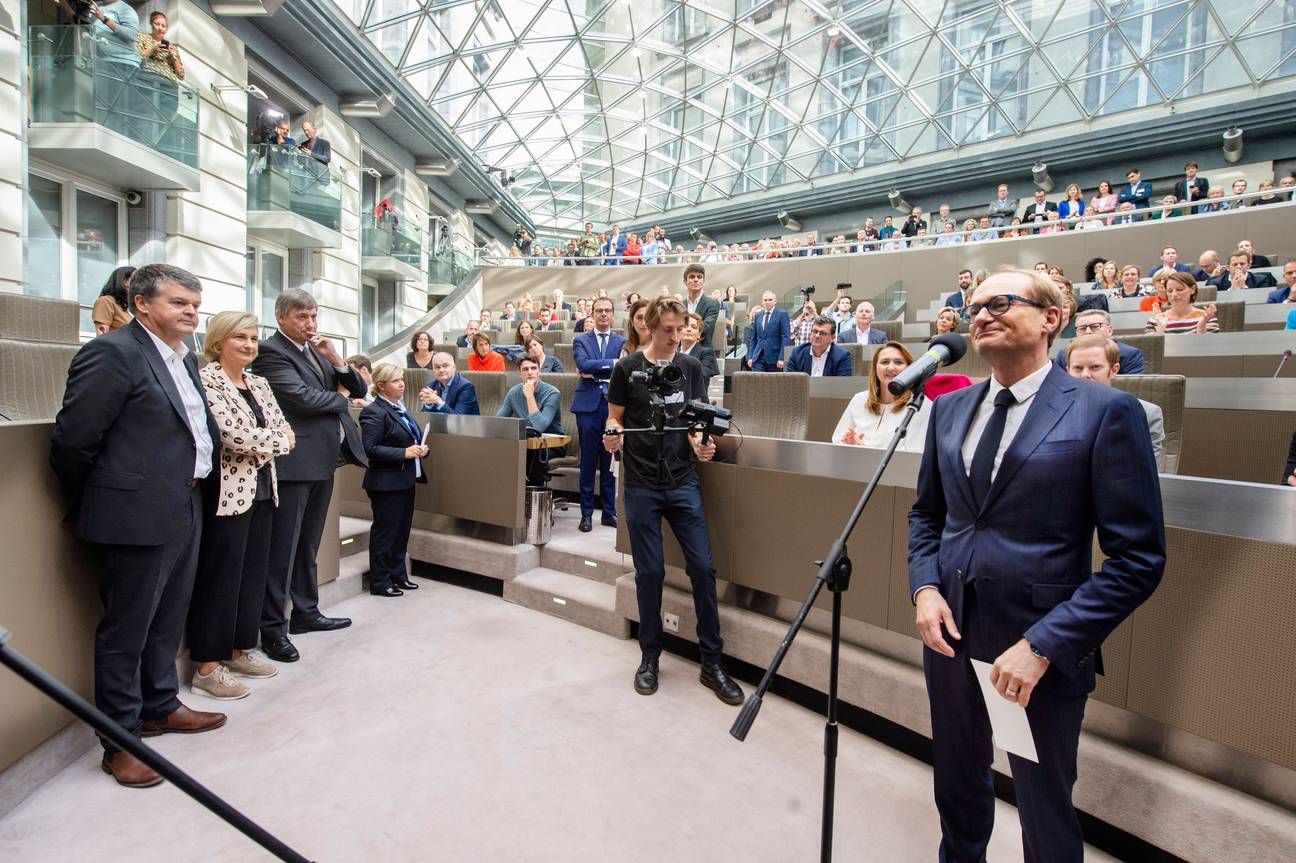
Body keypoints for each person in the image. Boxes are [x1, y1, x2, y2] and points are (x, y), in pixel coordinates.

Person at [908, 267, 1165, 863]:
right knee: (956, 786)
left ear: (1052, 318)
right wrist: (924, 587)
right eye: (974, 307)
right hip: (949, 635)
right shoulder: (950, 411)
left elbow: (1138, 560)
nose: (982, 315)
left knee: (1044, 809)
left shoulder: (1105, 412)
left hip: (1034, 650)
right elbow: (927, 516)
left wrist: (1044, 645)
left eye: (1001, 302)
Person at [50, 263, 226, 788]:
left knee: (167, 619)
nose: (191, 312)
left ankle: (160, 705)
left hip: (184, 504)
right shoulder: (112, 352)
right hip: (134, 514)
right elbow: (73, 442)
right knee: (126, 631)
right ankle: (120, 742)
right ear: (142, 303)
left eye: (195, 304)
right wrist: (107, 500)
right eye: (179, 303)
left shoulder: (183, 357)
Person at [604, 297, 743, 705]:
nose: (674, 336)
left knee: (703, 568)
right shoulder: (626, 369)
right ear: (648, 326)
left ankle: (712, 662)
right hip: (641, 484)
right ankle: (650, 657)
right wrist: (612, 432)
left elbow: (698, 423)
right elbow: (615, 416)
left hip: (683, 481)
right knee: (649, 574)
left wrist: (702, 444)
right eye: (666, 329)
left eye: (679, 328)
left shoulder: (692, 368)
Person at [249, 288, 366, 664]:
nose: (311, 324)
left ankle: (305, 612)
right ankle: (272, 630)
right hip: (293, 464)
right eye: (302, 317)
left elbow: (363, 386)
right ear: (281, 316)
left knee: (307, 546)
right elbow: (299, 397)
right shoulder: (269, 352)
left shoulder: (316, 350)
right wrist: (346, 401)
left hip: (322, 461)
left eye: (314, 316)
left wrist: (337, 360)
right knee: (282, 550)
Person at [189, 311, 294, 701]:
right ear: (219, 342)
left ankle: (235, 651)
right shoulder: (206, 380)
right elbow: (234, 437)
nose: (250, 345)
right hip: (228, 492)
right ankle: (207, 666)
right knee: (221, 580)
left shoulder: (259, 382)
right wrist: (273, 440)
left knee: (252, 577)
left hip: (266, 488)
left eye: (253, 338)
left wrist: (270, 439)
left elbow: (284, 430)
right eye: (240, 338)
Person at [359, 363, 427, 597]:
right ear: (381, 385)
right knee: (385, 533)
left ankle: (399, 575)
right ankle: (380, 581)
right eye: (396, 380)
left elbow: (408, 438)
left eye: (402, 379)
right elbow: (370, 448)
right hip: (386, 482)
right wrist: (404, 453)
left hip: (405, 479)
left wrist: (419, 449)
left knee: (401, 532)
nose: (402, 384)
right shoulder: (373, 411)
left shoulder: (400, 408)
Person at [1065, 337, 1164, 469]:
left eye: (1095, 367)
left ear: (1114, 370)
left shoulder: (1147, 413)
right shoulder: (1051, 411)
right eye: (1078, 368)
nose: (1085, 375)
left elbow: (1144, 474)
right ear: (1068, 371)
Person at [571, 297, 625, 532]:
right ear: (592, 314)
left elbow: (624, 369)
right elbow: (583, 365)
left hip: (614, 405)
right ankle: (585, 514)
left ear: (613, 314)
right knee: (589, 461)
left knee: (609, 460)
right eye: (599, 311)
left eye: (607, 311)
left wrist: (597, 368)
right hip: (588, 406)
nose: (603, 314)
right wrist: (613, 363)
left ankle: (608, 513)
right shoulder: (580, 339)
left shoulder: (622, 340)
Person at [832, 341, 930, 448]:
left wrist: (863, 450)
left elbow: (913, 455)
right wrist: (848, 446)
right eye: (885, 362)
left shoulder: (921, 405)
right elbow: (837, 441)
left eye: (898, 362)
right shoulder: (859, 399)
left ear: (909, 368)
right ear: (875, 368)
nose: (891, 368)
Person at [499, 355, 564, 487]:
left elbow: (539, 427)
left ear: (539, 370)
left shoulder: (552, 393)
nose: (530, 372)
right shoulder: (513, 392)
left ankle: (530, 500)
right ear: (519, 373)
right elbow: (499, 421)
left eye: (533, 368)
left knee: (530, 453)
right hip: (525, 442)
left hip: (550, 445)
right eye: (525, 369)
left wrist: (529, 396)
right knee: (503, 450)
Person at [1052, 309, 1145, 374]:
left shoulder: (1130, 354)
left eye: (1095, 326)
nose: (1088, 331)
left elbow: (1132, 388)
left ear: (1110, 330)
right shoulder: (1064, 355)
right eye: (1082, 328)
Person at [133, 11, 183, 123]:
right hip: (148, 78)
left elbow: (181, 74)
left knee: (165, 118)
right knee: (147, 114)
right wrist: (153, 47)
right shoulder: (143, 37)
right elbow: (138, 59)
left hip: (169, 85)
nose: (160, 28)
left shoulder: (171, 46)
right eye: (157, 24)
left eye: (164, 26)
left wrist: (174, 57)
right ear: (151, 24)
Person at [1146, 272, 1219, 334]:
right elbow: (1151, 349)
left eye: (1179, 289)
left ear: (1193, 289)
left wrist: (1201, 328)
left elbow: (1209, 349)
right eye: (1170, 291)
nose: (1174, 294)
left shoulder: (1207, 317)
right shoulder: (1155, 320)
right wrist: (1160, 331)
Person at [787, 316, 852, 377]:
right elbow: (791, 382)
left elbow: (843, 385)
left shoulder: (842, 357)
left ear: (832, 338)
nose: (817, 336)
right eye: (815, 331)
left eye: (823, 333)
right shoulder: (797, 353)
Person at [746, 290, 789, 371]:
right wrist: (750, 356)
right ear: (762, 302)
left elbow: (785, 337)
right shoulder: (758, 315)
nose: (767, 302)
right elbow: (754, 338)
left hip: (774, 358)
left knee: (772, 383)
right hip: (758, 357)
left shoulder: (782, 314)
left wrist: (782, 357)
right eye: (765, 300)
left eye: (770, 299)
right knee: (756, 382)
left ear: (775, 301)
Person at [682, 263, 721, 344]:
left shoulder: (713, 304)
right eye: (692, 277)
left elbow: (705, 327)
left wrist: (684, 334)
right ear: (685, 281)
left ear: (703, 282)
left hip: (703, 351)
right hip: (681, 351)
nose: (696, 279)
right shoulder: (680, 305)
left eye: (699, 277)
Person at [679, 311, 720, 386]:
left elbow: (701, 377)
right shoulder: (671, 352)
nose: (689, 329)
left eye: (693, 327)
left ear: (699, 334)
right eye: (685, 326)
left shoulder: (707, 353)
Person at [93, 265, 135, 335]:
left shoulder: (129, 307)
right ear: (125, 282)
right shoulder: (106, 301)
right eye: (136, 280)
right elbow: (102, 336)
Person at [1208, 250, 1278, 291]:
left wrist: (1244, 287)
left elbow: (1262, 301)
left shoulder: (1261, 280)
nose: (1239, 267)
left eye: (1242, 264)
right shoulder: (1215, 283)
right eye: (1235, 264)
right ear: (1228, 267)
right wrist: (1231, 290)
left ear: (1248, 265)